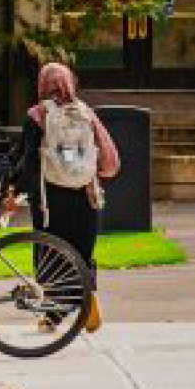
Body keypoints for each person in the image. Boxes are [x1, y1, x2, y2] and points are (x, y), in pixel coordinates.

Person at [12, 60, 120, 333]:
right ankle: (87, 296)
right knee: (82, 253)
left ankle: (52, 315)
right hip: (85, 196)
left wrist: (16, 192)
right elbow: (109, 159)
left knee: (50, 255)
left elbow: (27, 161)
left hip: (50, 200)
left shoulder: (37, 116)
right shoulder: (86, 113)